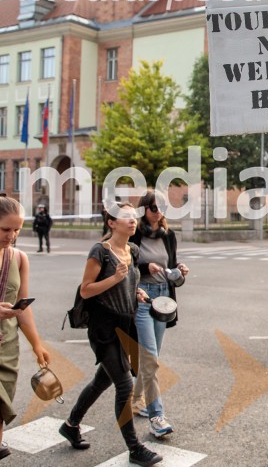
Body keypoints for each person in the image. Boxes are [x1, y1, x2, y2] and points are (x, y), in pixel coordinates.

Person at [59, 202, 162, 467]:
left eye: (134, 216)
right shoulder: (100, 252)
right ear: (112, 223)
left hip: (125, 325)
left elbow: (130, 281)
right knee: (125, 385)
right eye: (126, 217)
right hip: (103, 328)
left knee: (101, 381)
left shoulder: (133, 250)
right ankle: (135, 448)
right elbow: (86, 290)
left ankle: (71, 425)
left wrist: (136, 292)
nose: (133, 220)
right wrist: (115, 279)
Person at [129, 191, 189, 436]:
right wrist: (147, 267)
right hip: (142, 297)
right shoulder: (134, 233)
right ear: (144, 209)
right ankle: (157, 416)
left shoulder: (168, 235)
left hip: (163, 297)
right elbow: (128, 265)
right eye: (153, 207)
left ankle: (135, 401)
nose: (158, 211)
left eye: (162, 207)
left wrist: (179, 270)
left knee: (150, 357)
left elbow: (171, 265)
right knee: (150, 358)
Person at [0, 195, 50, 461]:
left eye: (17, 230)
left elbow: (23, 307)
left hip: (7, 346)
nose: (11, 236)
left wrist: (37, 345)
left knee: (2, 407)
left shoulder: (19, 258)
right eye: (5, 229)